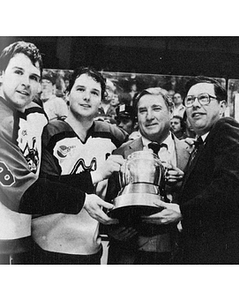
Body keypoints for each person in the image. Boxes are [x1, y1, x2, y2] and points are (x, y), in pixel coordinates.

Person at [144, 76, 239, 264]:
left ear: (222, 106)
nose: (195, 105)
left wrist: (183, 210)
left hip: (220, 255)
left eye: (204, 98)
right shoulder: (203, 141)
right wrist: (184, 182)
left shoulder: (227, 128)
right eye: (190, 100)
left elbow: (230, 185)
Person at [30, 66, 128, 264]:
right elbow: (45, 189)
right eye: (80, 89)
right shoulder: (49, 132)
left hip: (90, 249)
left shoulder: (112, 135)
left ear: (101, 101)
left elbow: (137, 144)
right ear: (67, 94)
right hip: (46, 245)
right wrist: (96, 174)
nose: (87, 97)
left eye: (94, 93)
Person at [105, 87, 190, 264]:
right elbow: (108, 205)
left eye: (156, 109)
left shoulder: (190, 153)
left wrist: (182, 186)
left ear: (171, 111)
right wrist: (112, 229)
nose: (149, 116)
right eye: (143, 110)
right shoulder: (121, 152)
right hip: (130, 256)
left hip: (178, 255)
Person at [0, 41, 48, 264]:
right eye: (18, 72)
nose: (25, 83)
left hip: (22, 240)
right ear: (1, 74)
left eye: (33, 77)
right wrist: (83, 198)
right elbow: (23, 190)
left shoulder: (34, 121)